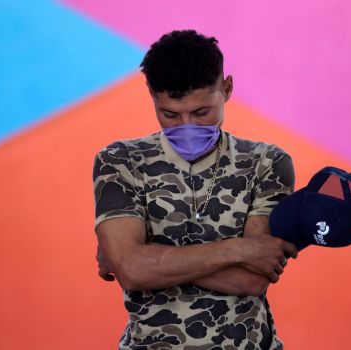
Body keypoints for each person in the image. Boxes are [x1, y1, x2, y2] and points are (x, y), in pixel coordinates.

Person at [92, 29, 298, 349]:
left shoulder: (267, 162)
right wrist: (238, 249)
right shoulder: (120, 160)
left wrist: (142, 254)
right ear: (151, 94)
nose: (187, 127)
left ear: (227, 88)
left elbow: (252, 279)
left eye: (201, 112)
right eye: (170, 114)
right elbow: (132, 271)